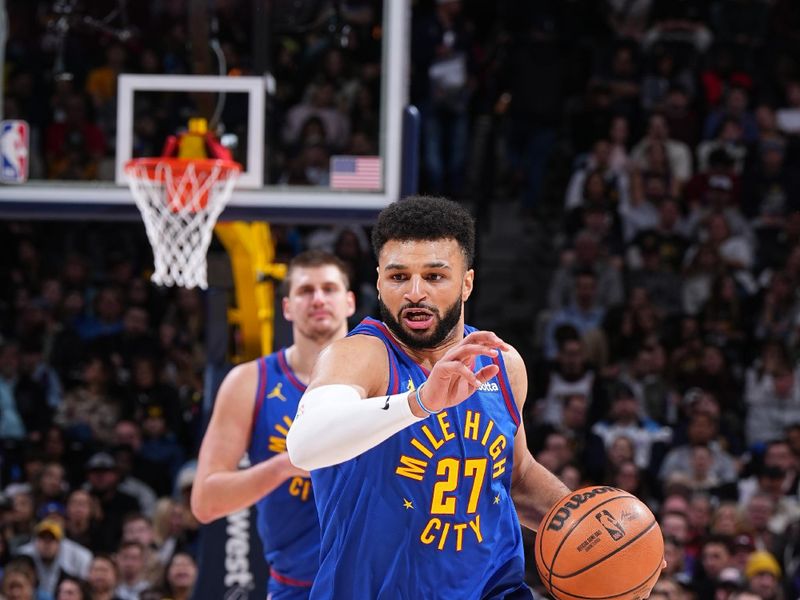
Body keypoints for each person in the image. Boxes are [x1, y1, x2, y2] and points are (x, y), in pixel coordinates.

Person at [287, 197, 653, 598]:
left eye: (434, 277)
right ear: (378, 281)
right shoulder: (361, 356)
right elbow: (304, 445)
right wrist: (419, 402)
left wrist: (602, 536)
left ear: (467, 282)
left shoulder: (502, 362)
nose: (414, 293)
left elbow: (516, 475)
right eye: (398, 277)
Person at [190, 250, 356, 599]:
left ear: (350, 302)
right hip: (294, 588)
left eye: (329, 288)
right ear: (287, 307)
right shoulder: (250, 381)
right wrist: (284, 466)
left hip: (378, 586)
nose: (319, 299)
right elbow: (205, 502)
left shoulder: (388, 376)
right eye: (305, 290)